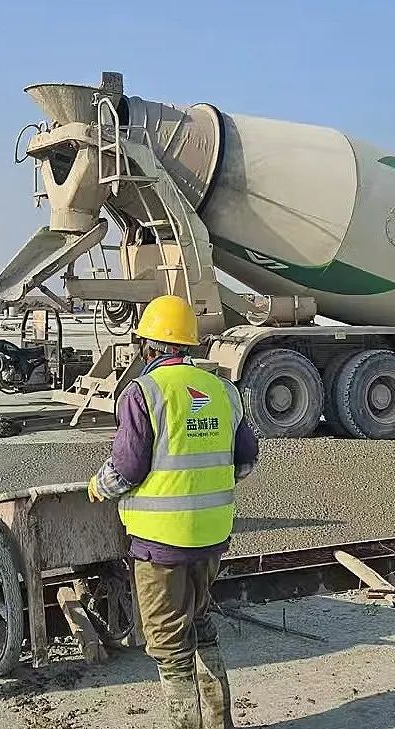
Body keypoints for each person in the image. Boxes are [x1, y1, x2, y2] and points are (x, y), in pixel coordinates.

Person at [88, 294, 258, 729]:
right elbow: (245, 463)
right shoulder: (223, 391)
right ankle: (219, 722)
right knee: (200, 623)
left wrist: (99, 486)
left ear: (148, 347)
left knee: (168, 645)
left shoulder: (143, 393)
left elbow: (126, 469)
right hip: (212, 537)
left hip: (160, 543)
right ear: (189, 345)